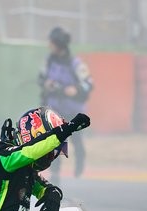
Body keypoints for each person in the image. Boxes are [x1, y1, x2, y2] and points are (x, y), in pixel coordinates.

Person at [39, 27, 93, 180]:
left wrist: (75, 89)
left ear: (58, 44)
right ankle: (55, 172)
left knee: (76, 140)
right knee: (57, 141)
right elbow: (40, 79)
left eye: (51, 42)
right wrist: (46, 84)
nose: (49, 45)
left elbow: (88, 84)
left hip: (73, 110)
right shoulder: (48, 62)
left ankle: (79, 169)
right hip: (55, 110)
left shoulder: (75, 63)